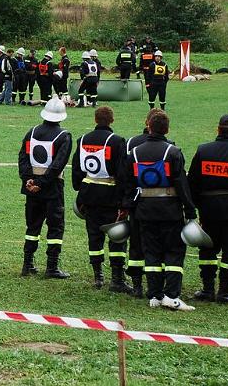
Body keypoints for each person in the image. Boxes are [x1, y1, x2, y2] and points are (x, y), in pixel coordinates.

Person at [124, 111, 197, 311]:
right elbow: (181, 184)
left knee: (151, 252)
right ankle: (172, 296)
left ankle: (155, 295)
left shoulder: (134, 153)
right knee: (174, 251)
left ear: (149, 126)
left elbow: (128, 184)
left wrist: (128, 206)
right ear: (167, 129)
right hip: (170, 210)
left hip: (144, 210)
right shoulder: (173, 152)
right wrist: (190, 209)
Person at [72, 107, 133, 293]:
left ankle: (98, 276)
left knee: (94, 236)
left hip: (88, 196)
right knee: (117, 238)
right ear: (112, 120)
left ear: (95, 119)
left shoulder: (82, 139)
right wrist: (124, 201)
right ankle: (117, 279)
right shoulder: (117, 141)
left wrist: (80, 189)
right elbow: (122, 173)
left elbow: (76, 169)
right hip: (111, 197)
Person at [188, 114, 228, 304]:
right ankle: (224, 292)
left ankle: (207, 289)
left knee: (207, 249)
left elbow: (192, 182)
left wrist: (198, 206)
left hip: (208, 210)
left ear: (218, 129)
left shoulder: (204, 150)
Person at [18, 96, 73, 279]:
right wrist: (41, 183)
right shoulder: (64, 136)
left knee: (32, 226)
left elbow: (23, 158)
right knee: (55, 227)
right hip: (52, 187)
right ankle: (52, 266)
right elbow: (58, 165)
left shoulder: (31, 132)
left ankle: (27, 264)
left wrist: (29, 180)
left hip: (31, 186)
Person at [125, 108, 170, 298]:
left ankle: (137, 285)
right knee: (160, 244)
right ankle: (159, 285)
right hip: (163, 202)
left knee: (136, 243)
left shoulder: (131, 143)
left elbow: (124, 175)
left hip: (137, 201)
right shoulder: (168, 146)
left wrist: (125, 202)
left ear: (147, 123)